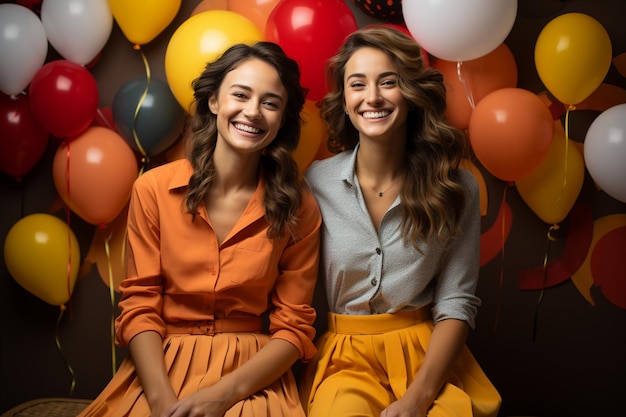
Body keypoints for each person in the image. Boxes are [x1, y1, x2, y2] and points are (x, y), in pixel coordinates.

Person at [79, 41, 321, 417]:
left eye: (271, 103)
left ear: (282, 118)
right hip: (160, 367)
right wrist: (161, 403)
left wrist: (224, 396)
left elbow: (293, 328)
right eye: (240, 95)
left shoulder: (300, 207)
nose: (253, 112)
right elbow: (140, 305)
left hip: (251, 376)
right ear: (213, 102)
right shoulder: (153, 189)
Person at [299, 26, 501, 417]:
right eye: (357, 84)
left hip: (429, 359)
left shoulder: (457, 186)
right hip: (345, 361)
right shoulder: (315, 182)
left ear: (411, 94)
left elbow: (457, 301)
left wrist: (418, 399)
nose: (372, 97)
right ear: (344, 100)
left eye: (388, 82)